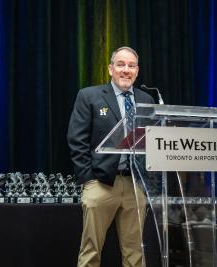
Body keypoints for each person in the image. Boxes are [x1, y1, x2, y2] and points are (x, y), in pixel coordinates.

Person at [67, 46, 155, 267]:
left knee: (135, 254)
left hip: (135, 185)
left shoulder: (147, 99)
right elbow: (77, 140)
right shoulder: (90, 96)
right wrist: (89, 179)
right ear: (110, 69)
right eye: (121, 64)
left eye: (131, 66)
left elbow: (152, 141)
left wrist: (146, 182)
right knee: (91, 251)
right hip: (101, 183)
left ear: (137, 70)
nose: (126, 70)